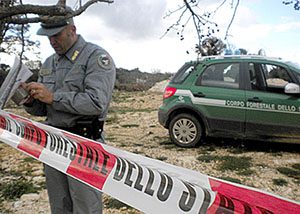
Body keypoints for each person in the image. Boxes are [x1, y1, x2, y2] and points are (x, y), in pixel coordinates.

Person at [21, 8, 116, 214]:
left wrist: (54, 97)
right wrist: (30, 100)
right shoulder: (48, 62)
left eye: (56, 35)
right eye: (48, 37)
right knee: (60, 205)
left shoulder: (96, 57)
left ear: (72, 30)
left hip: (85, 145)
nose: (52, 41)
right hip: (54, 143)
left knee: (85, 207)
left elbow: (96, 102)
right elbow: (43, 110)